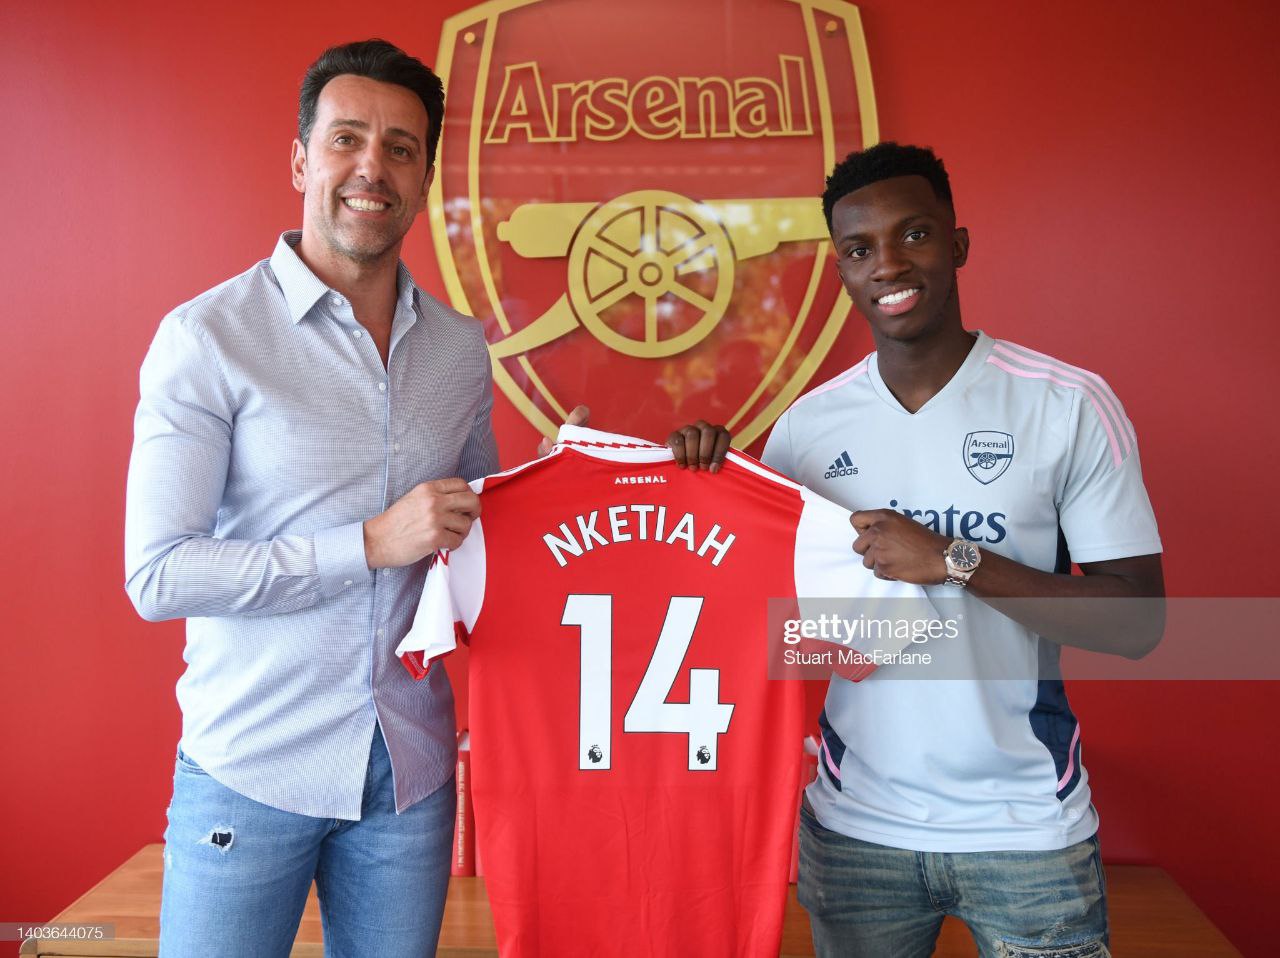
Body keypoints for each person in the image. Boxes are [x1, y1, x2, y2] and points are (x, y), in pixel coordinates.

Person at [124, 39, 583, 957]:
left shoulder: (459, 348)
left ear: (424, 181)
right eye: (347, 140)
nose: (373, 167)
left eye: (401, 148)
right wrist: (368, 543)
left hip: (409, 779)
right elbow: (158, 575)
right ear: (302, 160)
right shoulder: (206, 337)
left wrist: (556, 481)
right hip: (249, 769)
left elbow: (467, 535)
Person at [671, 142, 1164, 957]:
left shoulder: (1066, 404)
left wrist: (954, 560)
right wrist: (698, 481)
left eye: (915, 234)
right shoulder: (807, 430)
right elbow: (762, 625)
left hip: (1027, 830)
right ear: (842, 270)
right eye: (859, 249)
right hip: (856, 831)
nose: (889, 264)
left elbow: (1139, 621)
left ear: (958, 244)